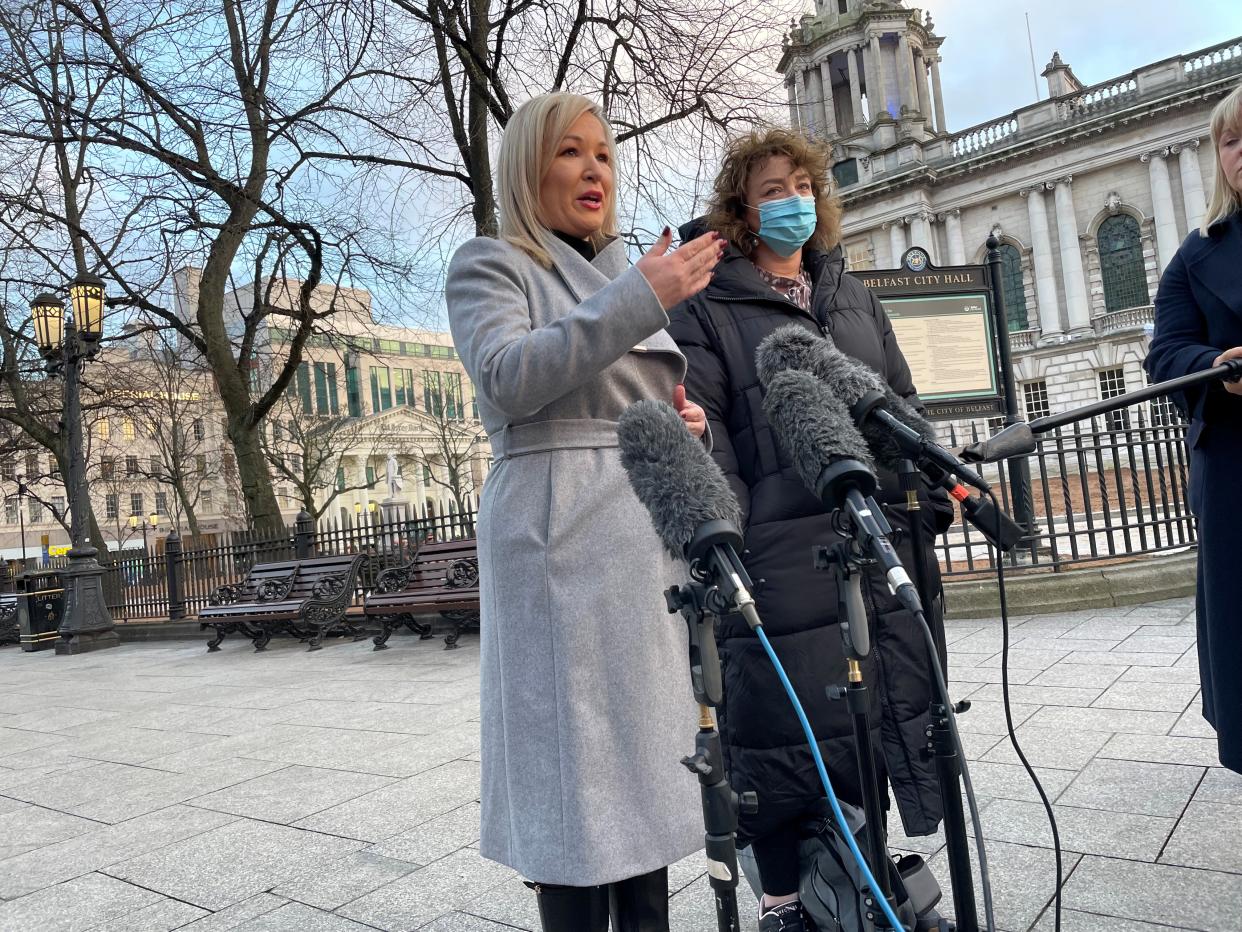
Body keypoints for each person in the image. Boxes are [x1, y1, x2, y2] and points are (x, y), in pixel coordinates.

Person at [445, 91, 723, 931]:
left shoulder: (614, 276)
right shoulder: (491, 263)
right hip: (557, 532)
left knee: (642, 781)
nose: (594, 168)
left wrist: (685, 429)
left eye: (603, 153)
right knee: (574, 785)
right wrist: (640, 295)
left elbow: (629, 397)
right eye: (570, 152)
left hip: (636, 544)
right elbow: (506, 377)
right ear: (530, 168)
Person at [667, 128, 951, 932]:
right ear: (742, 210)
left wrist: (927, 484)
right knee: (789, 742)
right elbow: (708, 430)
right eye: (771, 190)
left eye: (802, 185)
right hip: (781, 556)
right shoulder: (710, 305)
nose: (792, 201)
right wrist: (725, 541)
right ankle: (786, 903)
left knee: (877, 725)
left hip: (876, 539)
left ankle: (865, 885)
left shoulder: (850, 294)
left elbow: (899, 398)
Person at [1145, 81, 1242, 775]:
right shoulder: (1196, 252)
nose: (1241, 151)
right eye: (1230, 140)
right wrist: (1216, 365)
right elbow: (1165, 355)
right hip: (1238, 463)